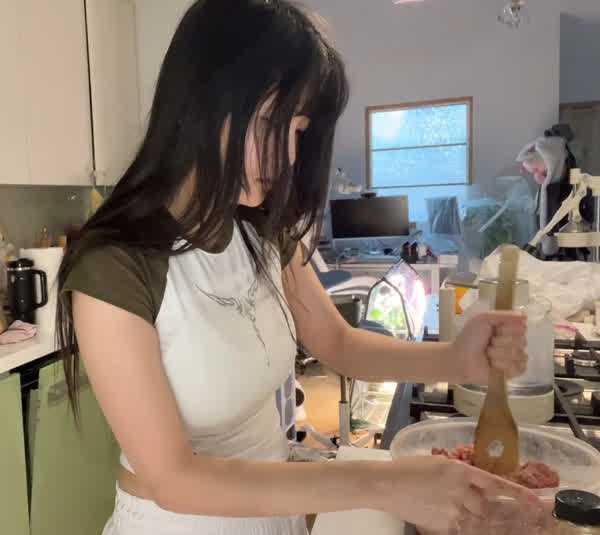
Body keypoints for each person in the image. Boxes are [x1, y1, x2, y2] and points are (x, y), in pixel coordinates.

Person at [56, 1, 539, 534]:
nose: (287, 156)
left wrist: (456, 359)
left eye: (298, 131)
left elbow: (338, 343)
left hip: (275, 519)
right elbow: (174, 478)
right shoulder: (114, 266)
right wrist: (387, 483)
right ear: (201, 101)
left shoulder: (259, 233)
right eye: (270, 123)